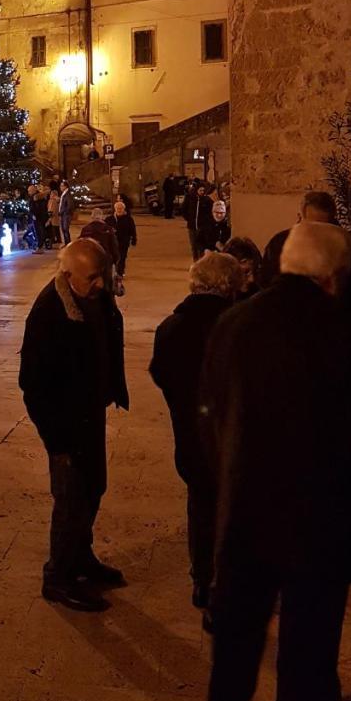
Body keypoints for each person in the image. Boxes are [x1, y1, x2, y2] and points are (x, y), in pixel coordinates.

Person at [200, 222, 351, 701]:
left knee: (237, 638)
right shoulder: (345, 330)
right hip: (320, 525)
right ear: (334, 276)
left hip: (246, 511)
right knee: (309, 658)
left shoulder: (236, 323)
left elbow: (214, 412)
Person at [19, 238, 130, 612]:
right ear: (68, 275)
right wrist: (56, 441)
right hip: (65, 424)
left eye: (103, 276)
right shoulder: (49, 312)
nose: (100, 284)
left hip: (89, 412)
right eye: (92, 277)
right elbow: (32, 386)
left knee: (94, 488)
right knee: (70, 500)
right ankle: (58, 576)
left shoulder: (94, 299)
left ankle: (81, 558)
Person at [149, 252, 243, 617]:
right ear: (229, 286)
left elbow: (160, 374)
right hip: (232, 441)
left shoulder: (171, 326)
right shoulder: (237, 326)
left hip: (190, 437)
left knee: (201, 507)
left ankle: (202, 579)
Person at [259, 189, 337, 287]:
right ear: (300, 218)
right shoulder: (279, 245)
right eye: (312, 226)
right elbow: (267, 283)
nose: (318, 232)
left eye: (324, 227)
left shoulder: (344, 249)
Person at [109, 198, 137, 280]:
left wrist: (134, 239)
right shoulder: (110, 219)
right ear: (115, 209)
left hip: (124, 242)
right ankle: (113, 272)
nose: (119, 210)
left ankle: (120, 272)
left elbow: (133, 230)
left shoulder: (128, 219)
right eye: (118, 208)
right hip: (112, 242)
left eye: (121, 209)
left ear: (124, 209)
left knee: (122, 257)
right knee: (112, 257)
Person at [30, 185, 49, 252]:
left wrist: (34, 214)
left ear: (33, 190)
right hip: (41, 216)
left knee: (38, 232)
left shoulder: (35, 197)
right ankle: (41, 246)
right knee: (40, 231)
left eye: (29, 191)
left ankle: (40, 247)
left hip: (37, 217)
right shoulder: (41, 196)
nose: (29, 192)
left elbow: (35, 207)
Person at [58, 180, 73, 246]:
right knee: (64, 230)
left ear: (65, 187)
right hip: (63, 214)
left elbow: (69, 205)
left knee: (65, 229)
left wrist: (63, 212)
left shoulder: (67, 194)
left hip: (66, 215)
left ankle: (68, 244)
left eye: (62, 186)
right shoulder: (64, 194)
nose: (60, 187)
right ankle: (66, 243)